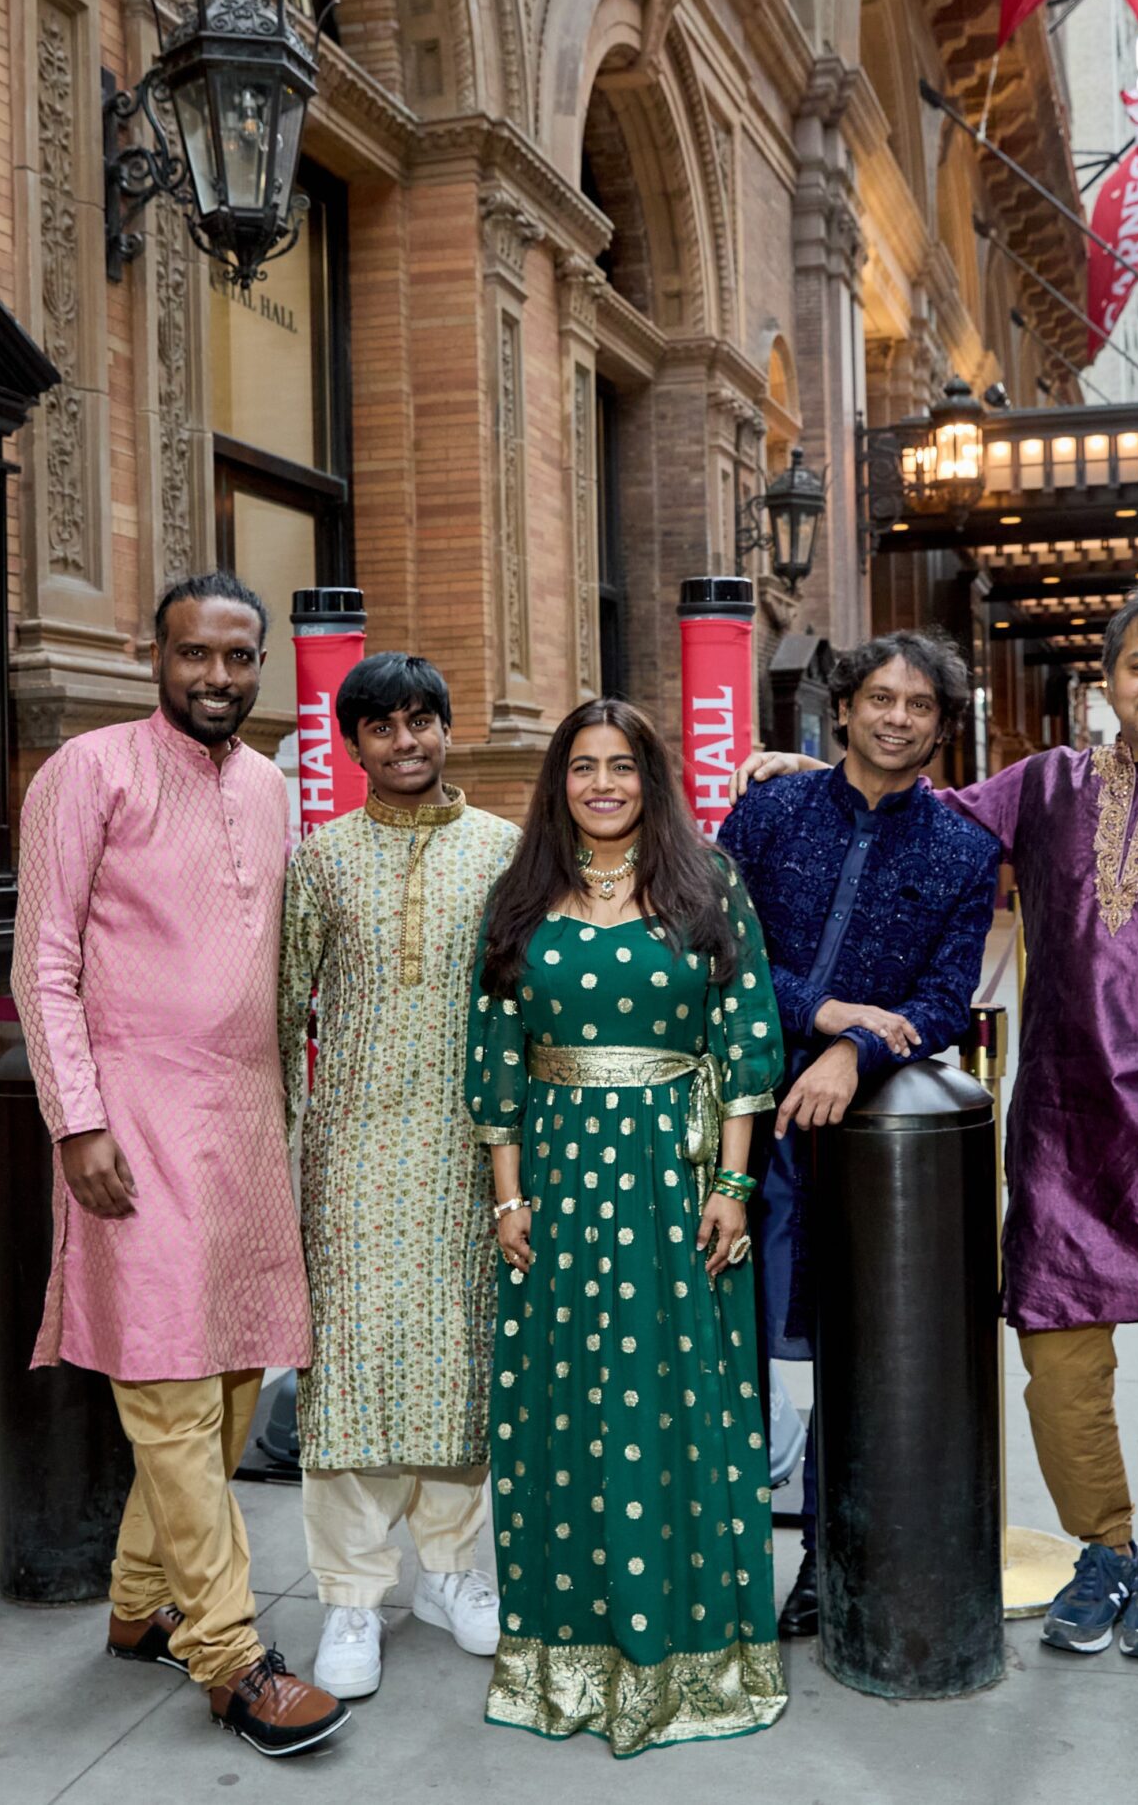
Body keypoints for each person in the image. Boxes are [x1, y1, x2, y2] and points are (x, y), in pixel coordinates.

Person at [738, 572, 1138, 1665]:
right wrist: (817, 770)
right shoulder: (1045, 785)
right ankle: (1101, 1548)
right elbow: (917, 809)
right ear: (1105, 678)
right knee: (1061, 1364)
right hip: (1063, 1117)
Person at [12, 571, 348, 1760]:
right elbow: (42, 961)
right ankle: (230, 1654)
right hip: (134, 1118)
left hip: (251, 1122)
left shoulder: (270, 787)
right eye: (195, 655)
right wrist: (78, 1121)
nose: (218, 677)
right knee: (162, 1386)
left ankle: (137, 1602)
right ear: (150, 654)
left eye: (238, 658)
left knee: (232, 1382)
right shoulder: (87, 771)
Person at [466, 698, 787, 1755]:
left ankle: (692, 1659)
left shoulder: (706, 884)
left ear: (652, 778)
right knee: (561, 1412)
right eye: (582, 768)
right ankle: (565, 1658)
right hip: (555, 1188)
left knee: (681, 1407)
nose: (602, 784)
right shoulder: (519, 894)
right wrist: (508, 1198)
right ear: (557, 782)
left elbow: (746, 1040)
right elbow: (495, 1057)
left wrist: (733, 1188)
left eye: (623, 767)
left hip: (677, 1183)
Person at [712, 630, 999, 1638]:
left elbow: (943, 1001)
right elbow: (714, 945)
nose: (896, 718)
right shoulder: (769, 809)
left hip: (866, 1142)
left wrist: (856, 1057)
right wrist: (824, 1016)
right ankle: (718, 1546)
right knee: (722, 1344)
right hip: (730, 1117)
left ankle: (825, 1558)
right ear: (842, 708)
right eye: (879, 698)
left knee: (853, 1352)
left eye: (919, 706)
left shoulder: (966, 850)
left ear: (940, 727)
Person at [278, 653, 520, 1699]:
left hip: (471, 1148)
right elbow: (287, 1007)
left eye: (423, 720)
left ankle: (455, 1574)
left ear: (447, 729)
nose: (406, 741)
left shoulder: (507, 852)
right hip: (352, 1147)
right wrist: (278, 1144)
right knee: (351, 1368)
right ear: (354, 743)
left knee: (461, 1358)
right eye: (383, 726)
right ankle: (349, 1593)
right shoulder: (322, 858)